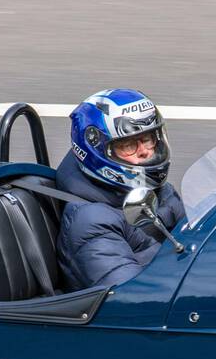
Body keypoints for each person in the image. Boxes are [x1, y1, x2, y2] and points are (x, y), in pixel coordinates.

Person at [55, 89, 186, 291]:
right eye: (128, 145)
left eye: (148, 139)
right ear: (99, 152)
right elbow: (132, 295)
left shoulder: (158, 191)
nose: (144, 151)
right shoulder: (91, 223)